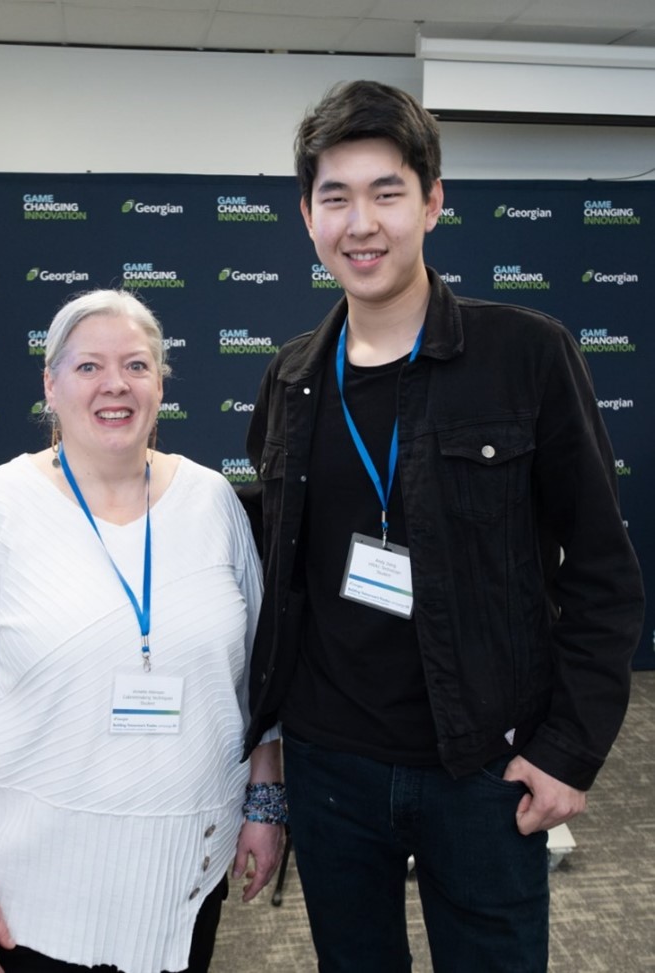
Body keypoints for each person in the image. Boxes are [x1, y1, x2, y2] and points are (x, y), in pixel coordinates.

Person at [241, 80, 645, 973]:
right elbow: (282, 582)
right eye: (335, 197)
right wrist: (271, 770)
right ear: (307, 215)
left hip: (483, 769)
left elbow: (604, 574)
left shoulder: (526, 353)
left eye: (387, 192)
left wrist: (568, 751)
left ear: (433, 202)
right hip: (331, 765)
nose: (362, 223)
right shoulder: (289, 380)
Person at [0, 289, 285, 973]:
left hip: (184, 877)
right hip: (33, 896)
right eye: (88, 367)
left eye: (136, 365)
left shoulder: (213, 502)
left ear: (160, 384)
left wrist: (265, 803)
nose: (115, 385)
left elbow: (261, 679)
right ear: (49, 383)